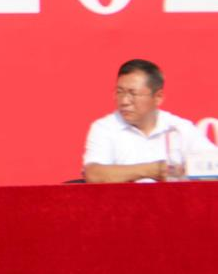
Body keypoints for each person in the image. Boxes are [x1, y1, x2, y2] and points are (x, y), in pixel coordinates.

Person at [82, 58, 217, 183]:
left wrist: (188, 171)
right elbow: (93, 175)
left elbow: (213, 168)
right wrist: (152, 170)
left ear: (158, 97)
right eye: (119, 92)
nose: (124, 101)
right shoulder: (105, 128)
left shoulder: (179, 128)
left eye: (133, 93)